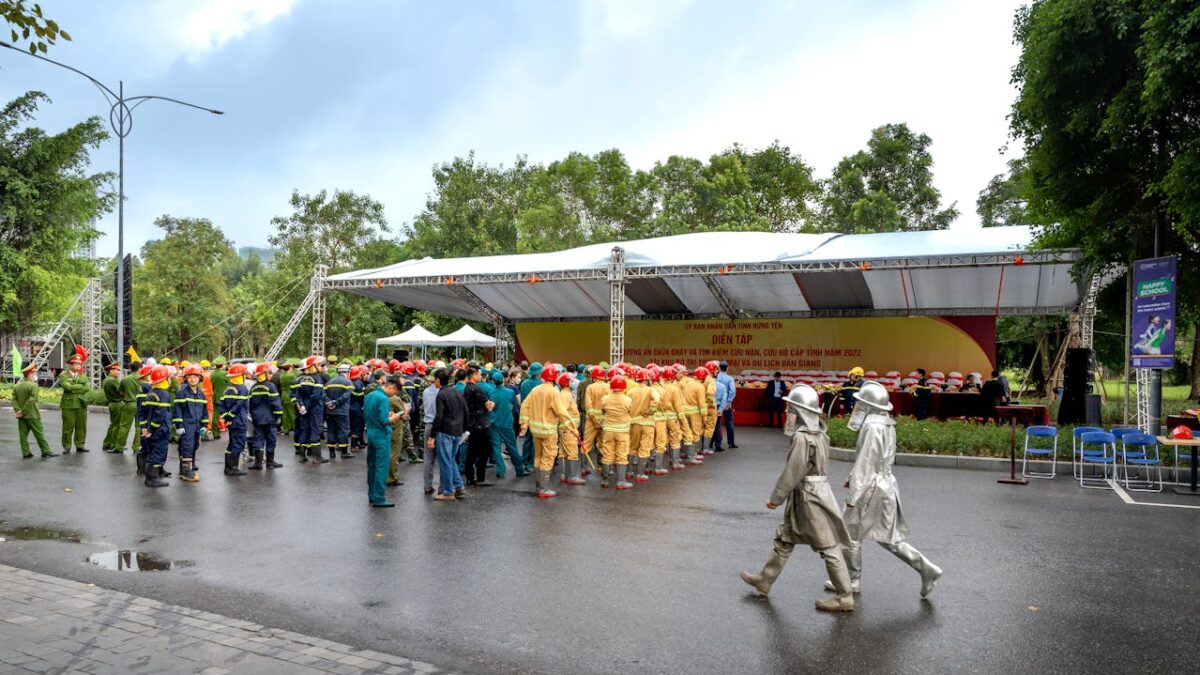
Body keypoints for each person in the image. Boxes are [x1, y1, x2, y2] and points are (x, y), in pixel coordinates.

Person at [740, 383, 855, 612]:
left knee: (828, 545)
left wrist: (776, 497)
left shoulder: (803, 437)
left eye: (791, 408)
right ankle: (764, 580)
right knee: (785, 538)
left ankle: (844, 596)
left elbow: (794, 471)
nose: (787, 413)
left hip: (809, 497)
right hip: (812, 492)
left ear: (800, 410)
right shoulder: (820, 431)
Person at [830, 381, 942, 598]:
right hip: (884, 485)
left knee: (850, 534)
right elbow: (876, 460)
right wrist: (852, 477)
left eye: (861, 403)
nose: (857, 407)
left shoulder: (872, 426)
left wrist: (854, 493)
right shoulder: (886, 423)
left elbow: (867, 461)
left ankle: (851, 581)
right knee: (888, 539)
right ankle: (927, 569)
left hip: (870, 489)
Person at [518, 363, 569, 499]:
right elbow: (561, 412)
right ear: (554, 377)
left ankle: (539, 485)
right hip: (548, 431)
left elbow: (524, 406)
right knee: (548, 457)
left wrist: (524, 424)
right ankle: (544, 489)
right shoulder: (554, 392)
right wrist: (572, 428)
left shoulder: (536, 390)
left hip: (536, 431)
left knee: (538, 457)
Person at [428, 368, 467, 501]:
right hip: (457, 431)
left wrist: (432, 436)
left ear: (438, 380)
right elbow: (465, 411)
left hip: (446, 431)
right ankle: (459, 487)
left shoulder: (441, 394)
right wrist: (464, 429)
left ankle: (448, 491)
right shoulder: (456, 391)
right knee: (451, 460)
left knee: (445, 461)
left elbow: (439, 417)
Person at [364, 374, 401, 508]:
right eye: (395, 392)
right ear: (391, 388)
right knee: (381, 467)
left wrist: (387, 415)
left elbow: (370, 413)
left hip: (371, 432)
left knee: (372, 464)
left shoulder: (370, 395)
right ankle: (379, 498)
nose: (394, 395)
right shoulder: (383, 398)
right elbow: (385, 421)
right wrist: (395, 417)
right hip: (381, 435)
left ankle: (372, 494)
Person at [173, 364, 210, 481]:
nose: (193, 379)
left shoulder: (201, 394)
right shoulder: (181, 393)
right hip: (186, 425)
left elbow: (204, 410)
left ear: (200, 378)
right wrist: (179, 425)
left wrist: (204, 425)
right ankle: (185, 472)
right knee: (187, 447)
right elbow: (177, 410)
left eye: (195, 377)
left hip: (197, 425)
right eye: (190, 377)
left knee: (195, 445)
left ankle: (187, 467)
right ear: (185, 378)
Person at [12, 363, 56, 458]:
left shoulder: (17, 386)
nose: (36, 376)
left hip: (21, 416)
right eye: (34, 373)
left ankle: (26, 452)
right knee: (39, 433)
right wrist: (23, 411)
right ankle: (45, 450)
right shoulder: (33, 386)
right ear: (30, 375)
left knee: (23, 435)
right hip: (32, 414)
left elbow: (14, 400)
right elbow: (31, 400)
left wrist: (18, 411)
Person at [598, 374, 634, 490]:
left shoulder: (605, 399)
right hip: (622, 432)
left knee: (607, 454)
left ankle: (605, 480)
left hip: (608, 430)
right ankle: (621, 482)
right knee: (622, 456)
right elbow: (630, 412)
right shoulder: (627, 400)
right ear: (624, 387)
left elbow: (603, 412)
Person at [462, 365, 496, 486]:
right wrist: (492, 404)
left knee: (471, 452)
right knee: (483, 452)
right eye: (479, 374)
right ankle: (480, 478)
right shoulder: (477, 389)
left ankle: (470, 478)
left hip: (471, 424)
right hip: (480, 425)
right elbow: (489, 405)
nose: (481, 376)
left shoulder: (466, 389)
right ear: (475, 375)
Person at [142, 366, 174, 488]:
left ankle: (154, 474)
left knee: (153, 451)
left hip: (152, 429)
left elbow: (146, 413)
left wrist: (147, 427)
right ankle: (151, 478)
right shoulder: (164, 394)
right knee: (158, 452)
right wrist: (151, 429)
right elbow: (160, 415)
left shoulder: (151, 393)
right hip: (160, 430)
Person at [248, 362, 284, 470]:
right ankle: (270, 461)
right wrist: (279, 416)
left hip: (257, 419)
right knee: (271, 439)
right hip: (269, 418)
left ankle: (258, 463)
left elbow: (250, 404)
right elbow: (276, 403)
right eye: (269, 373)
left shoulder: (253, 387)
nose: (271, 375)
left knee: (258, 439)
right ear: (264, 374)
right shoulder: (271, 386)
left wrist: (253, 415)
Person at [293, 356, 328, 464]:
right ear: (312, 366)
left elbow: (298, 395)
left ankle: (302, 456)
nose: (320, 367)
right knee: (315, 431)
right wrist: (307, 408)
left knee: (304, 430)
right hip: (314, 410)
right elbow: (316, 396)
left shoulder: (303, 379)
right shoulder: (318, 378)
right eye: (317, 365)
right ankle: (317, 457)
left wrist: (302, 406)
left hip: (304, 410)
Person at [218, 363, 250, 477]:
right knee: (239, 444)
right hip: (239, 421)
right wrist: (231, 415)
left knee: (231, 444)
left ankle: (227, 467)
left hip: (231, 422)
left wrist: (226, 416)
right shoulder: (243, 389)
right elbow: (239, 405)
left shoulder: (228, 389)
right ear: (240, 376)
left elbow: (222, 405)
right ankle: (234, 467)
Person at [557, 371, 587, 486]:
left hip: (566, 428)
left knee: (564, 452)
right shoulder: (565, 395)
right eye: (570, 380)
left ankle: (564, 475)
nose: (573, 382)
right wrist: (572, 429)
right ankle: (572, 476)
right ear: (566, 383)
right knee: (573, 452)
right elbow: (563, 413)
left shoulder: (566, 394)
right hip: (568, 429)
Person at [628, 368, 658, 482]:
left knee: (632, 448)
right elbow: (657, 399)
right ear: (647, 380)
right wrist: (651, 410)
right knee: (644, 448)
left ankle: (629, 472)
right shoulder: (650, 390)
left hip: (634, 423)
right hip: (647, 424)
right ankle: (640, 474)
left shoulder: (631, 391)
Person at [489, 370, 519, 480]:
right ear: (503, 380)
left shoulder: (491, 393)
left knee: (496, 447)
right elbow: (516, 408)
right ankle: (519, 469)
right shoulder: (510, 392)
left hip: (494, 423)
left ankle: (501, 470)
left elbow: (490, 408)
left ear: (493, 381)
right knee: (512, 447)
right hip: (507, 423)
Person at [58, 352, 91, 453]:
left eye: (80, 364)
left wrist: (74, 388)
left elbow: (87, 388)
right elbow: (67, 387)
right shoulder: (64, 375)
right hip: (68, 405)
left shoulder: (83, 376)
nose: (78, 366)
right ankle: (67, 446)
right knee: (68, 427)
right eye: (76, 364)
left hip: (81, 404)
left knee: (81, 426)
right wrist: (80, 387)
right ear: (70, 365)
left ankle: (80, 445)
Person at [386, 369, 413, 487]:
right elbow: (404, 415)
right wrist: (406, 409)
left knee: (388, 453)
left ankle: (387, 476)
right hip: (396, 429)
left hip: (387, 428)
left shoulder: (384, 397)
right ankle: (392, 478)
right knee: (394, 455)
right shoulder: (395, 398)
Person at [582, 365, 610, 473]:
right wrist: (602, 420)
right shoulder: (608, 387)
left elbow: (588, 406)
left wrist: (594, 420)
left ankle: (584, 468)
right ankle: (602, 466)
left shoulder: (590, 387)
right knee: (603, 444)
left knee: (587, 444)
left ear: (593, 376)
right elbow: (609, 405)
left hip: (591, 421)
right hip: (604, 420)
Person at [325, 363, 354, 459]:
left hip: (329, 411)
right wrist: (336, 403)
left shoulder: (329, 382)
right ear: (347, 372)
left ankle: (332, 453)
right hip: (341, 411)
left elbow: (323, 394)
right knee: (343, 430)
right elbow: (346, 396)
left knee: (331, 430)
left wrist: (329, 402)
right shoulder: (348, 382)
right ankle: (344, 452)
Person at [682, 367, 709, 465]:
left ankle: (689, 454)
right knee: (695, 434)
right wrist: (705, 416)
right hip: (694, 413)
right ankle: (691, 456)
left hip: (685, 411)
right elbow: (702, 403)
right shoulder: (700, 387)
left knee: (687, 433)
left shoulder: (688, 383)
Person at [421, 369, 442, 495]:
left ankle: (427, 486)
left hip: (429, 425)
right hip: (441, 426)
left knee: (428, 457)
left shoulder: (426, 391)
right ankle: (443, 488)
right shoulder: (442, 392)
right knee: (443, 458)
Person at [115, 362, 141, 453]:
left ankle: (119, 446)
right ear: (139, 369)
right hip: (140, 404)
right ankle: (136, 447)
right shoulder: (142, 378)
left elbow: (120, 392)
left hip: (129, 403)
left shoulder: (125, 379)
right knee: (139, 427)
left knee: (124, 426)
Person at [102, 362, 124, 452]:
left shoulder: (107, 380)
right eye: (117, 370)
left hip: (111, 403)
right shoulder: (113, 380)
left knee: (112, 425)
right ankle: (113, 444)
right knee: (117, 425)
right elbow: (121, 392)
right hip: (117, 403)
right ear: (111, 371)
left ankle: (107, 443)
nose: (119, 372)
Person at [701, 360, 721, 454]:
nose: (718, 371)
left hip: (702, 407)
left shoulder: (703, 379)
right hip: (709, 408)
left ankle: (699, 448)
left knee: (701, 428)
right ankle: (705, 448)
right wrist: (711, 405)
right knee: (709, 428)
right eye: (716, 369)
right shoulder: (711, 380)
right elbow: (709, 393)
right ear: (712, 370)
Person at [717, 361, 738, 448]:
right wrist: (729, 402)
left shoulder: (716, 377)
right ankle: (731, 443)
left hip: (717, 403)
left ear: (719, 368)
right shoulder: (729, 379)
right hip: (726, 404)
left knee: (717, 424)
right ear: (727, 368)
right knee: (729, 422)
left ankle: (717, 444)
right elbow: (732, 391)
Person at [209, 356, 228, 440]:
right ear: (223, 365)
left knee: (215, 416)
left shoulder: (212, 374)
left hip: (215, 397)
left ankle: (215, 433)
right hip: (225, 397)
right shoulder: (224, 374)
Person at [279, 359, 297, 436]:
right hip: (290, 395)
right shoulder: (291, 376)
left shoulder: (282, 375)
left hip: (283, 395)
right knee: (292, 413)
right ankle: (296, 428)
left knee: (285, 414)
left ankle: (285, 429)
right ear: (289, 368)